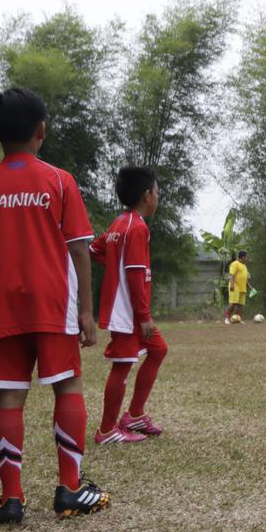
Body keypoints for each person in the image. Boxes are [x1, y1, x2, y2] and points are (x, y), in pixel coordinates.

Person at [0, 87, 110, 523]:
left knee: (8, 397)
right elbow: (80, 249)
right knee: (68, 387)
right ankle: (70, 491)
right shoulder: (59, 180)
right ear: (41, 131)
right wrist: (85, 310)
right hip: (53, 303)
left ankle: (12, 501)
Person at [91, 166, 168, 445]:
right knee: (122, 366)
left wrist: (114, 267)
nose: (158, 197)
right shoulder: (137, 227)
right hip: (128, 311)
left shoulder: (118, 223)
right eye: (158, 192)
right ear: (147, 195)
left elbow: (94, 250)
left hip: (128, 308)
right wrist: (144, 315)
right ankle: (107, 430)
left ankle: (134, 415)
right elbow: (135, 273)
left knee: (158, 350)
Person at [225, 251, 250, 324]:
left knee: (240, 305)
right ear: (242, 257)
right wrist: (232, 285)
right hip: (235, 287)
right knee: (233, 303)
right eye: (246, 257)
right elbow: (231, 275)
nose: (247, 258)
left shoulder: (244, 266)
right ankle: (227, 318)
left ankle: (238, 319)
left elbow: (245, 278)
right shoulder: (235, 264)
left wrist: (249, 286)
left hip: (242, 288)